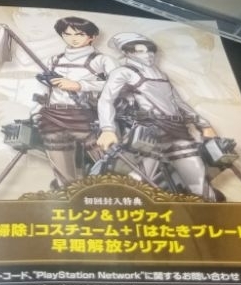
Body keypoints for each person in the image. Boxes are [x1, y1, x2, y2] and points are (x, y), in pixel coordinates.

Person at [96, 32, 221, 201]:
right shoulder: (123, 72)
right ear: (127, 52)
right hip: (149, 132)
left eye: (150, 50)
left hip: (177, 130)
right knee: (136, 183)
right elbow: (106, 99)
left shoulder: (161, 74)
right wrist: (107, 129)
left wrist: (203, 124)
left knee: (199, 184)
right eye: (140, 51)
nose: (148, 55)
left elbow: (178, 102)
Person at [34, 16, 115, 187]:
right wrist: (36, 109)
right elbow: (47, 91)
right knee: (63, 175)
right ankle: (67, 194)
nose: (73, 38)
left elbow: (119, 85)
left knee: (109, 163)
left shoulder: (101, 60)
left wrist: (79, 85)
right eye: (67, 34)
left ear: (92, 37)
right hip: (53, 116)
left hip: (85, 116)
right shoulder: (54, 60)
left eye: (79, 34)